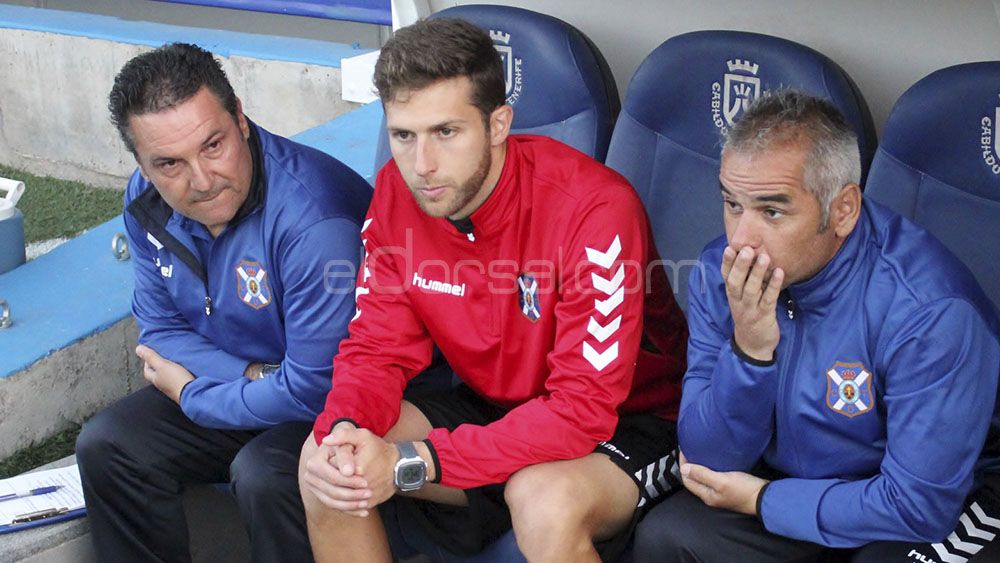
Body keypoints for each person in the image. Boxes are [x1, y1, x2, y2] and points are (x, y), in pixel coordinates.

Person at [298, 18, 688, 563]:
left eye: (446, 132)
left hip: (633, 423)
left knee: (542, 500)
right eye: (403, 136)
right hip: (497, 407)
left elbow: (580, 411)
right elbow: (375, 349)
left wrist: (418, 461)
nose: (422, 165)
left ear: (499, 123)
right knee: (330, 459)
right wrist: (346, 424)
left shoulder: (595, 209)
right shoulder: (397, 191)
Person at [632, 90, 1000, 562]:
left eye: (772, 211)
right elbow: (708, 460)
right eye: (732, 204)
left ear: (842, 210)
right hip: (795, 485)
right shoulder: (718, 273)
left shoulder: (929, 312)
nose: (741, 238)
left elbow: (918, 505)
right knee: (668, 536)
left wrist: (762, 500)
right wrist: (749, 351)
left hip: (933, 504)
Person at [75, 43, 372, 562]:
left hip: (338, 407)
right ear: (142, 164)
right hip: (251, 384)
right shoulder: (145, 199)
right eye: (168, 163)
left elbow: (312, 391)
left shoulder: (314, 220)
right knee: (108, 443)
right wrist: (255, 376)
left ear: (241, 119)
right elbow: (160, 333)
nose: (202, 180)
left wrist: (195, 396)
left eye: (213, 145)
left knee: (264, 472)